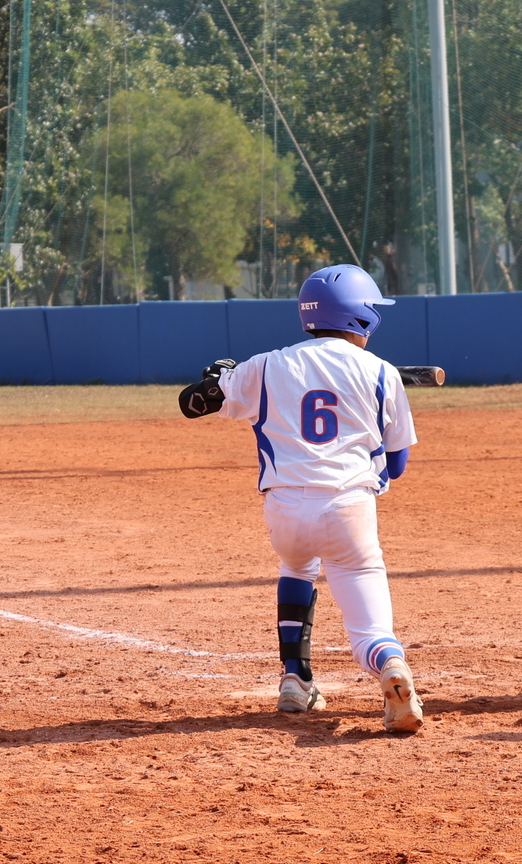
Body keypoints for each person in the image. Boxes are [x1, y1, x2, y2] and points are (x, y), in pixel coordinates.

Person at [177, 265, 425, 733]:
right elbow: (397, 465)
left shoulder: (267, 364)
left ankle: (295, 679)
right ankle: (390, 666)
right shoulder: (382, 373)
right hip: (349, 507)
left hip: (284, 510)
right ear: (363, 317)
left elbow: (192, 402)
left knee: (297, 567)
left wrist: (220, 378)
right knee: (369, 629)